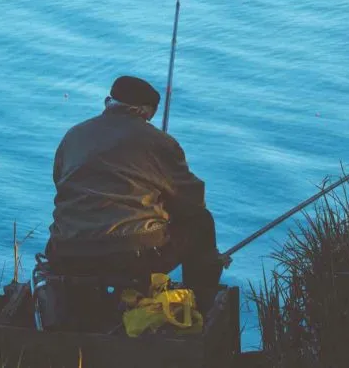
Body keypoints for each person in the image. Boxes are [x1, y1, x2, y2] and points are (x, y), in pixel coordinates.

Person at [45, 75, 223, 291]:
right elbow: (192, 202)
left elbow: (60, 183)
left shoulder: (73, 136)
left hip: (65, 251)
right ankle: (201, 305)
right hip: (129, 257)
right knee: (201, 223)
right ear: (145, 111)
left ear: (108, 102)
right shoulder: (160, 142)